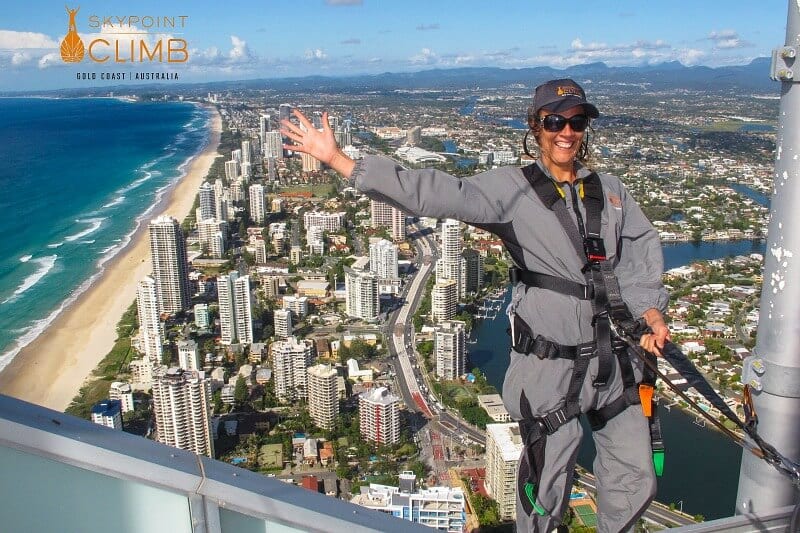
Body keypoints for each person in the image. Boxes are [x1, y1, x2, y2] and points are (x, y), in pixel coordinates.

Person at [282, 78, 671, 533]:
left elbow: (641, 249)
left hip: (616, 359)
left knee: (637, 478)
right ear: (536, 126)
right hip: (553, 367)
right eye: (554, 121)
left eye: (577, 121)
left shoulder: (610, 190)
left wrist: (651, 311)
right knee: (546, 485)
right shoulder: (511, 189)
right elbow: (438, 191)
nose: (566, 131)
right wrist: (341, 161)